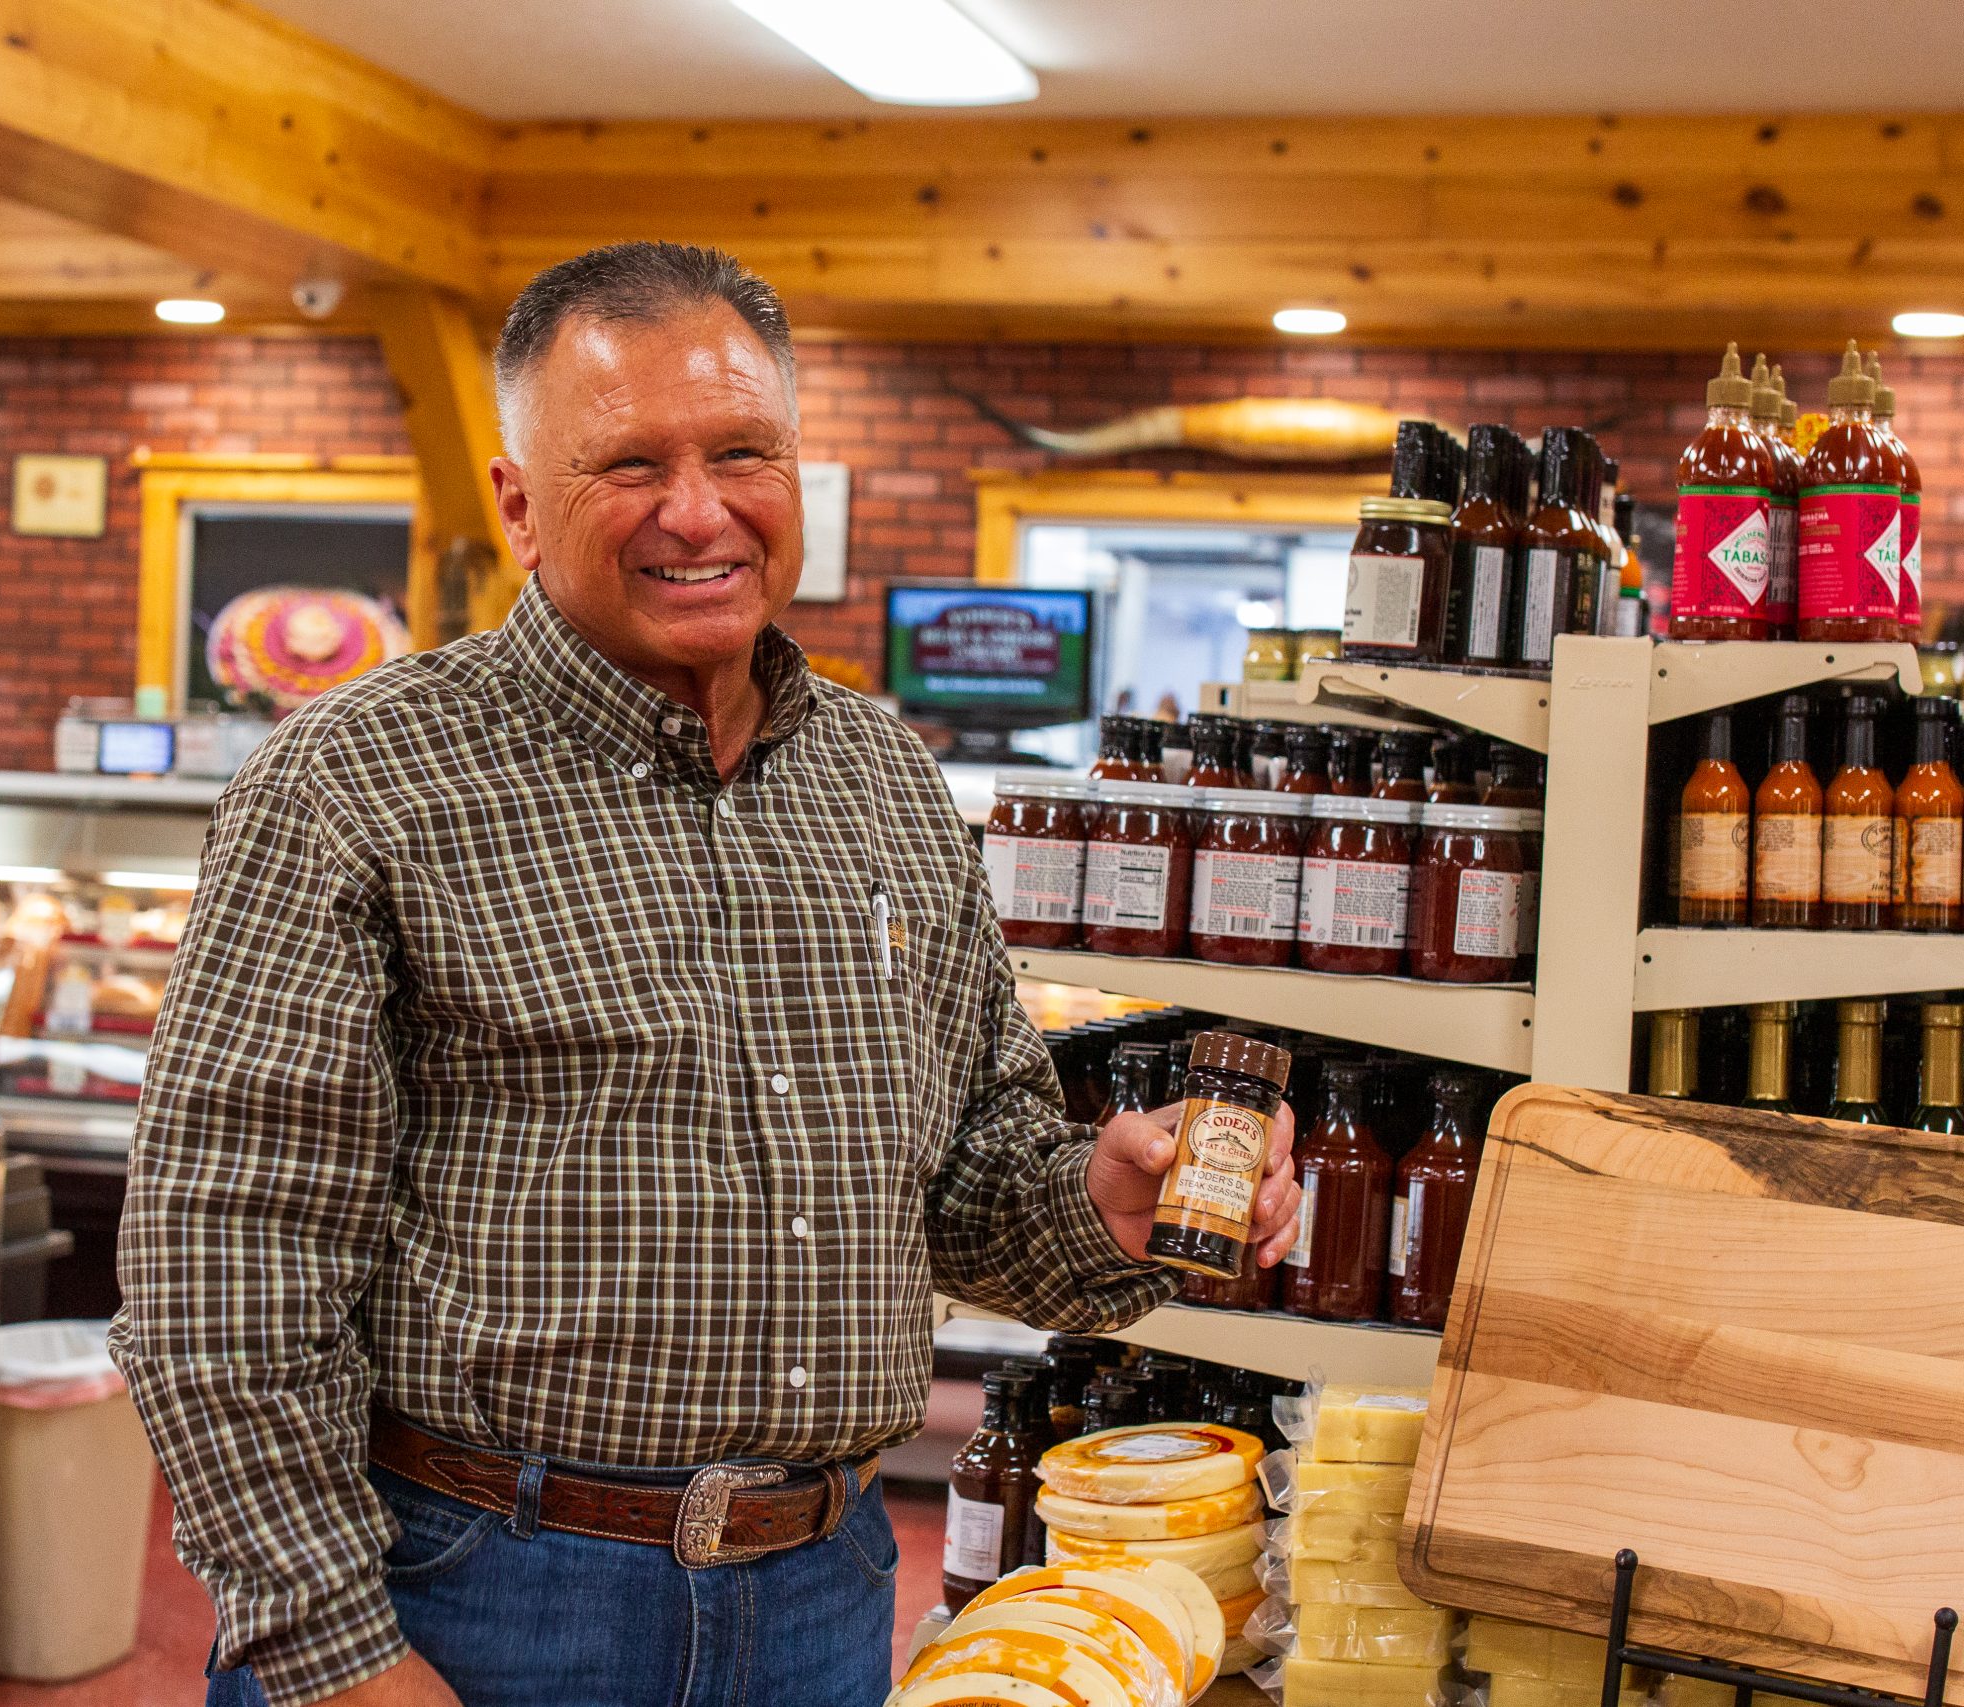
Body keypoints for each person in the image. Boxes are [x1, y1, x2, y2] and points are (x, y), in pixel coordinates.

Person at [113, 241, 1301, 1707]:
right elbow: (224, 1268)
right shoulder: (360, 781)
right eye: (627, 465)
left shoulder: (880, 776)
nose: (699, 511)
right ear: (517, 508)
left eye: (743, 451)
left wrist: (1102, 1205)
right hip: (480, 1592)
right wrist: (333, 1657)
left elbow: (971, 1185)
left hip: (822, 1592)